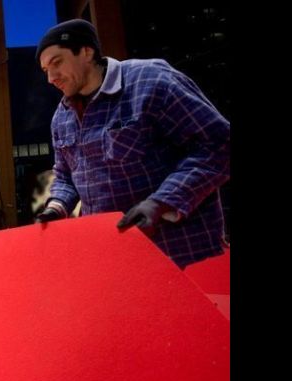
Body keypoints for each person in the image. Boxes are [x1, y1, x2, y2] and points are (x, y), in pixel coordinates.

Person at [33, 19, 229, 268]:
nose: (51, 78)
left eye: (57, 62)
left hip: (180, 252)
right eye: (45, 70)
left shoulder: (151, 80)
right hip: (115, 257)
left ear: (86, 52)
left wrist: (161, 203)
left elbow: (218, 144)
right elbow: (65, 176)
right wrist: (57, 206)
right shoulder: (62, 116)